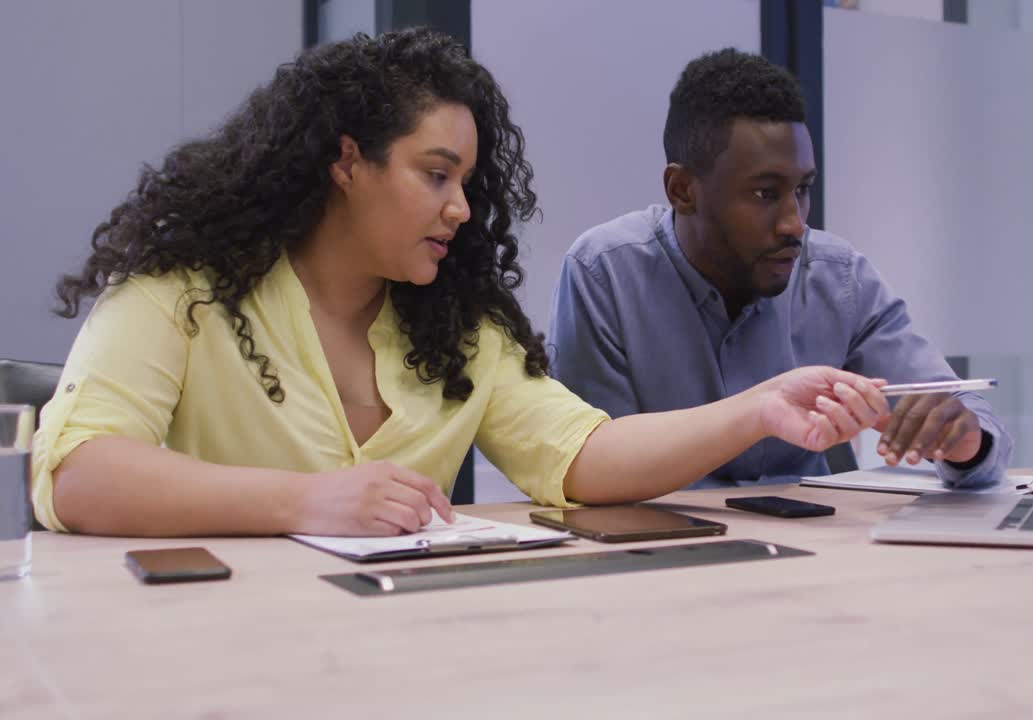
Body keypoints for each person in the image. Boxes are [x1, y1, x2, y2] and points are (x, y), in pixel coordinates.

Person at [31, 29, 887, 538]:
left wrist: (758, 408)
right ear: (347, 162)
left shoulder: (460, 326)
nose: (459, 211)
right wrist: (305, 501)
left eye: (467, 185)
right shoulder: (181, 290)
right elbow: (80, 472)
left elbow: (582, 456)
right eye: (435, 176)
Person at [548, 48, 1011, 489]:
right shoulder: (604, 273)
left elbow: (963, 411)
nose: (795, 223)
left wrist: (964, 442)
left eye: (803, 189)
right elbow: (589, 467)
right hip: (665, 553)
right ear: (683, 189)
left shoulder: (838, 277)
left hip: (816, 549)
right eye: (765, 194)